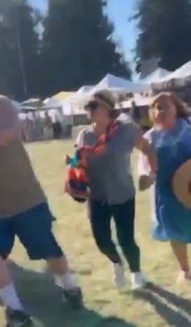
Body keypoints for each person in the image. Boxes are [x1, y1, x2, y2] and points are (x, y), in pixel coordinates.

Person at [0, 66, 83, 326]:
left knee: (48, 251)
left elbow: (9, 133)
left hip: (23, 196)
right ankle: (16, 311)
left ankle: (70, 286)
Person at [73, 90, 157, 290]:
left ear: (109, 110)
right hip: (97, 197)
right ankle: (116, 263)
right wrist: (73, 166)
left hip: (123, 194)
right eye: (89, 107)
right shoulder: (84, 135)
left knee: (126, 238)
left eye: (95, 107)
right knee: (102, 241)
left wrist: (152, 173)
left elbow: (149, 149)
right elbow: (78, 162)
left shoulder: (126, 130)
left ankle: (136, 274)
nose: (90, 111)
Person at [137, 93, 191, 282]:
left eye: (165, 106)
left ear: (176, 107)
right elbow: (145, 164)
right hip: (167, 190)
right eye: (156, 107)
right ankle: (184, 269)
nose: (161, 110)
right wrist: (147, 176)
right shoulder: (150, 137)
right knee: (173, 229)